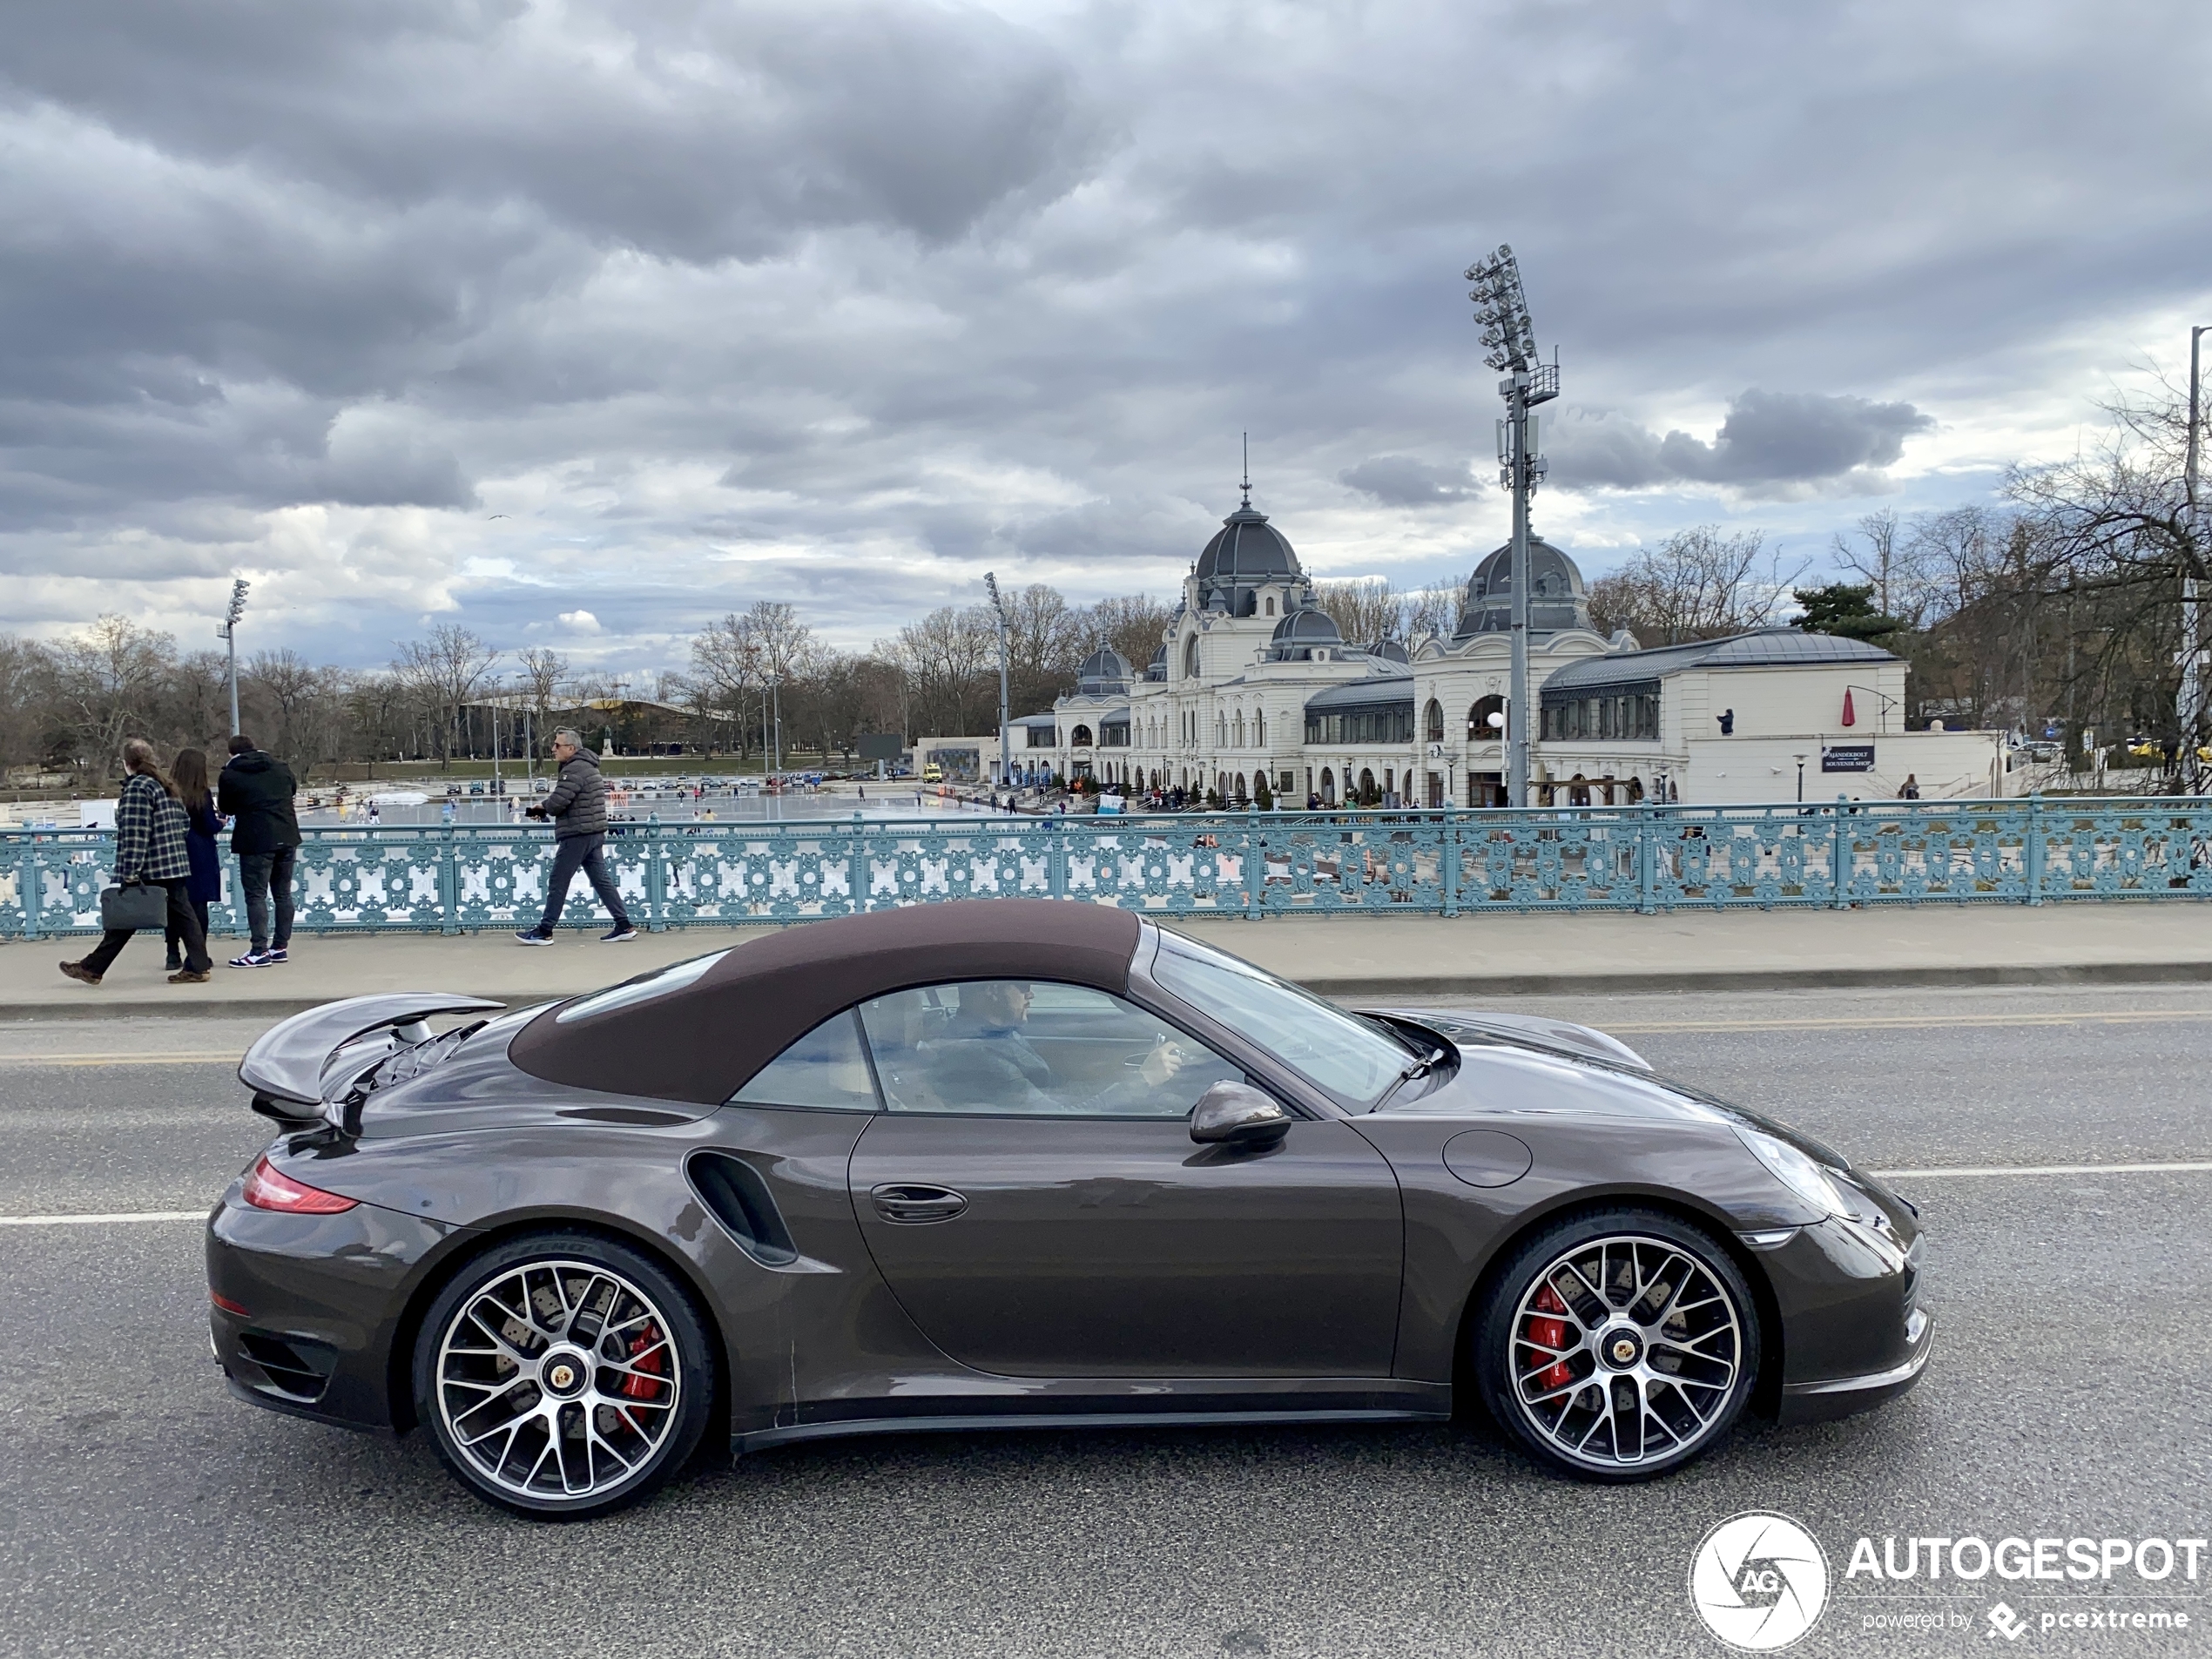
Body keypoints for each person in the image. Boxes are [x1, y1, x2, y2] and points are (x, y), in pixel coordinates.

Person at [60, 739, 212, 987]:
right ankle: (198, 966)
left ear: (125, 763)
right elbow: (184, 824)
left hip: (151, 866)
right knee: (185, 917)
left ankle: (92, 968)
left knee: (127, 916)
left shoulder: (137, 788)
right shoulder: (166, 785)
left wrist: (130, 872)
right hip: (175, 863)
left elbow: (134, 833)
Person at [516, 728, 637, 943]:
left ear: (571, 749)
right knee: (601, 881)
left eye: (557, 745)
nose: (553, 749)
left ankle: (545, 931)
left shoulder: (574, 770)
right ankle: (624, 925)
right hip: (593, 832)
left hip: (577, 834)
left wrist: (536, 810)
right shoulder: (587, 766)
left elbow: (558, 802)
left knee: (558, 881)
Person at [218, 732, 301, 968]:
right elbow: (291, 791)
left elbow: (226, 807)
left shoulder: (231, 775)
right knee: (283, 894)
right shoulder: (281, 768)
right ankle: (280, 947)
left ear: (231, 753)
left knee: (256, 896)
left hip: (255, 841)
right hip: (287, 836)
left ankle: (259, 951)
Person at [165, 747, 224, 973]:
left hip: (172, 851)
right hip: (198, 853)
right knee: (198, 905)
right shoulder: (201, 793)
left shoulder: (167, 791)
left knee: (174, 904)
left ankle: (172, 953)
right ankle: (198, 953)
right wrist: (220, 823)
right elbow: (208, 825)